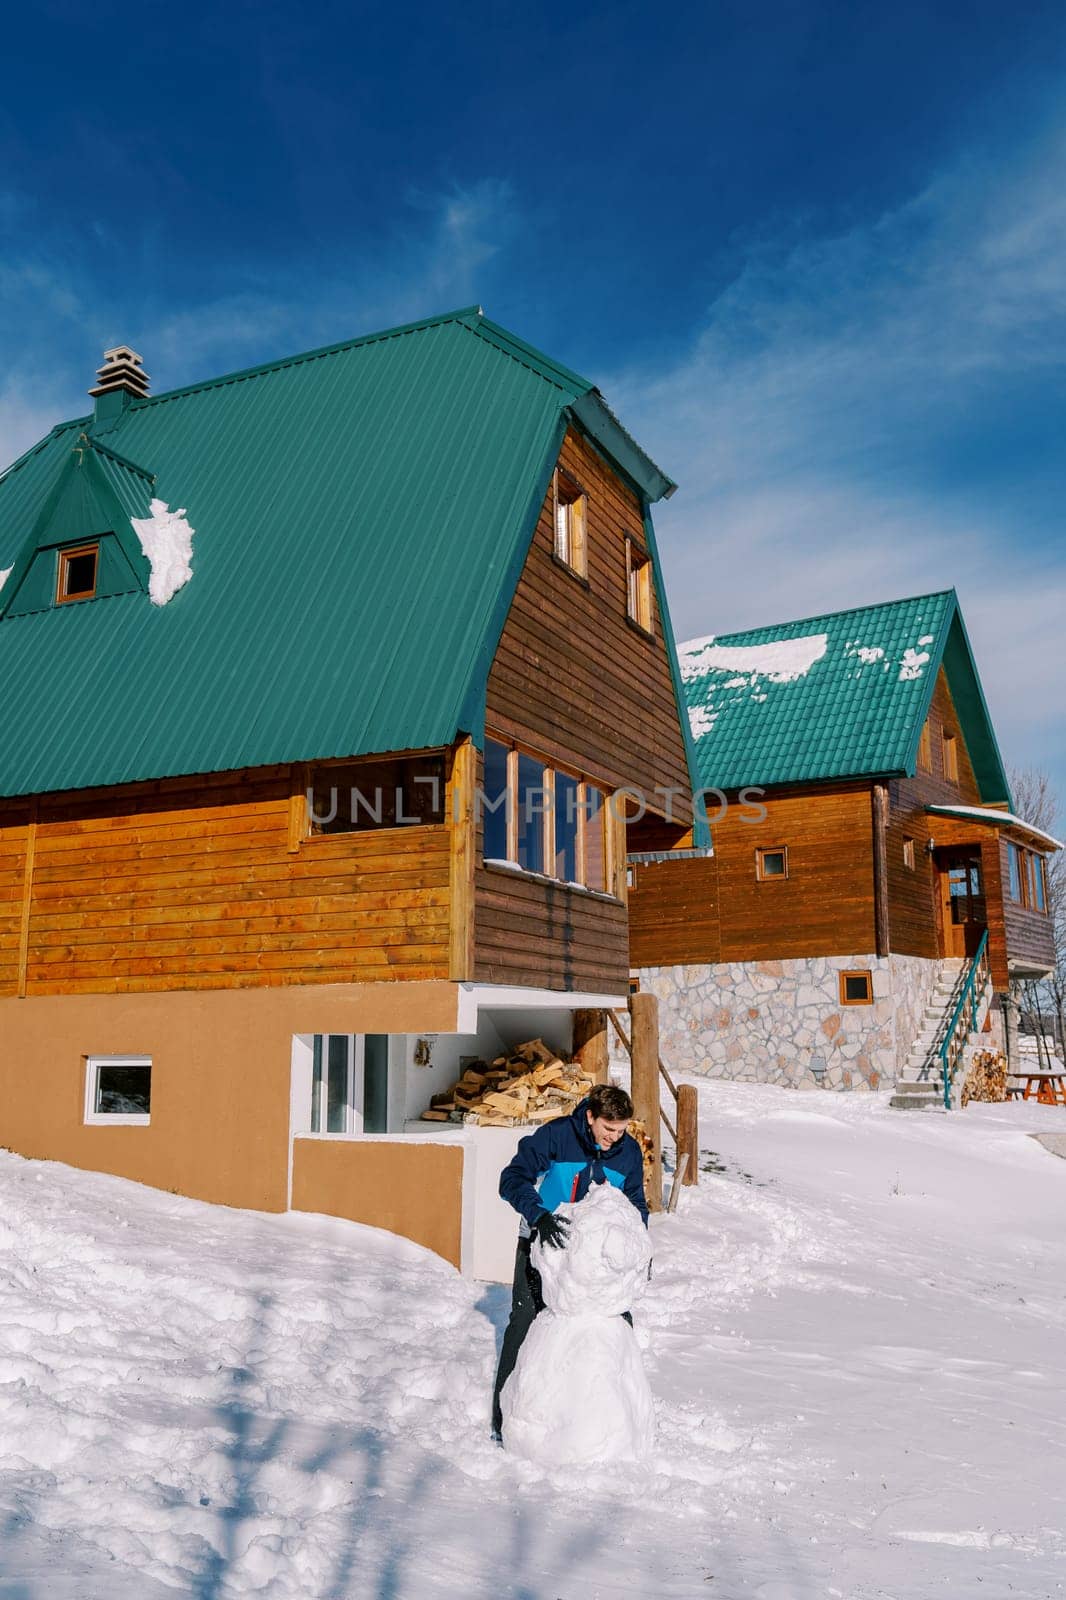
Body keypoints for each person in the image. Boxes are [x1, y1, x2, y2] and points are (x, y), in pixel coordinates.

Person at [490, 1082, 649, 1439]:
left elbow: (637, 1205)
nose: (615, 1137)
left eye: (621, 1130)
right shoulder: (557, 1136)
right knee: (524, 1320)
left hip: (595, 1262)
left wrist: (640, 1249)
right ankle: (504, 1422)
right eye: (609, 1129)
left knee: (615, 1323)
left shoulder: (629, 1153)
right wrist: (539, 1215)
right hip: (542, 1243)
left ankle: (616, 1425)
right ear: (590, 1116)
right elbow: (511, 1178)